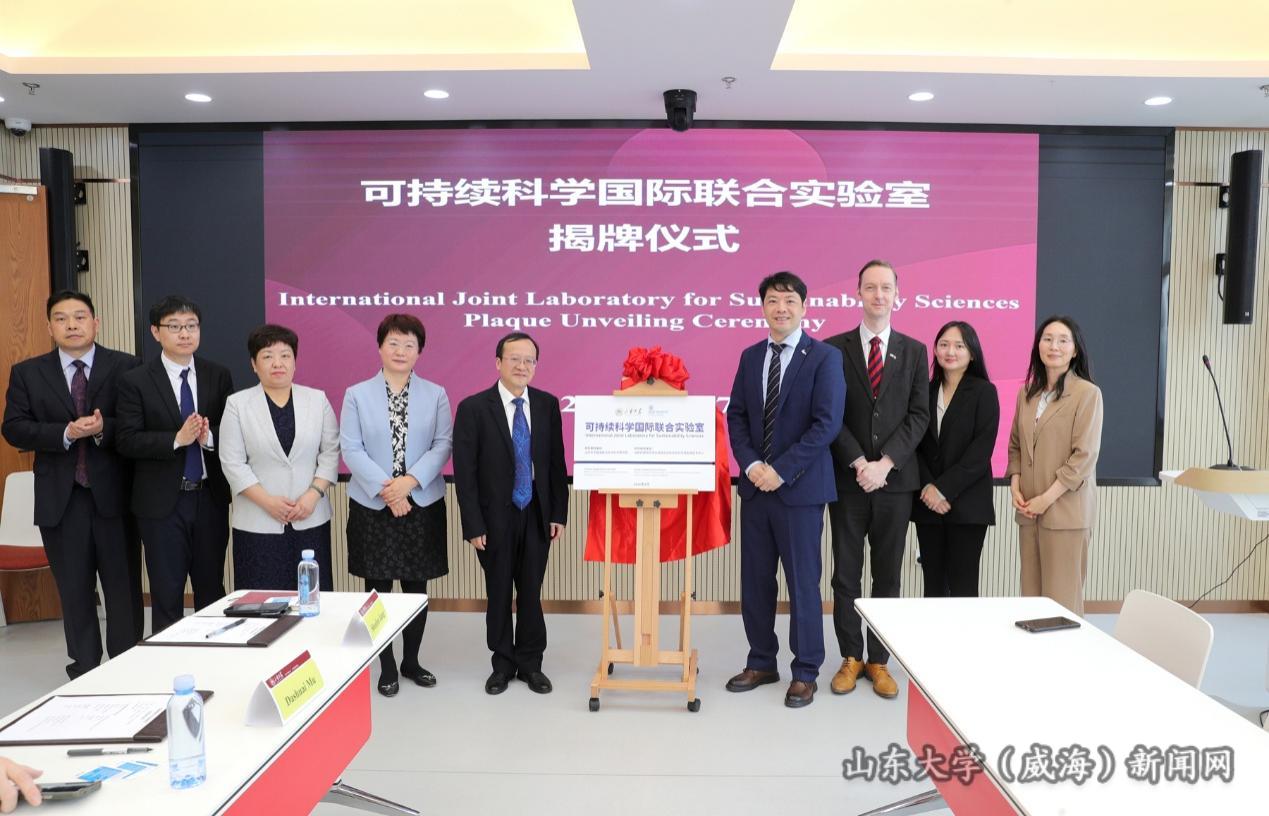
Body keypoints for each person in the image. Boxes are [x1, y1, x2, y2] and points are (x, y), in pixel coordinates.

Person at [2, 290, 141, 678]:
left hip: (115, 497)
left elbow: (138, 422)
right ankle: (85, 671)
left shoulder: (126, 366)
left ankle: (128, 667)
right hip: (61, 502)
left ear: (96, 323)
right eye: (61, 318)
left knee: (123, 589)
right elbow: (14, 427)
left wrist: (103, 428)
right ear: (49, 327)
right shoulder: (28, 372)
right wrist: (64, 432)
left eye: (80, 317)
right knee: (75, 590)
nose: (72, 325)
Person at [724, 271, 845, 708]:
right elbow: (736, 416)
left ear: (804, 307)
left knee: (803, 584)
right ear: (762, 308)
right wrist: (752, 465)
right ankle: (761, 661)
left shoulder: (825, 357)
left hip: (800, 491)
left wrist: (781, 470)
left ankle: (806, 670)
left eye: (790, 300)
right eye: (773, 300)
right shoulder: (750, 356)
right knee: (756, 582)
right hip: (757, 490)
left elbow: (826, 424)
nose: (781, 308)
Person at [825, 260, 929, 699]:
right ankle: (851, 657)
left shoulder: (915, 351)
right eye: (871, 287)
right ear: (858, 293)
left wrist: (885, 464)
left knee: (888, 576)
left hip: (895, 483)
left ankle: (879, 660)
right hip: (848, 482)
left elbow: (919, 415)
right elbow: (830, 415)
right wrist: (858, 462)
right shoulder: (833, 349)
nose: (879, 295)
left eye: (886, 288)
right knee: (846, 575)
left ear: (897, 295)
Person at [341, 314, 451, 697]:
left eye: (409, 344)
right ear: (380, 347)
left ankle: (411, 660)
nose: (401, 351)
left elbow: (442, 444)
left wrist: (408, 483)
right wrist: (388, 490)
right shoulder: (357, 394)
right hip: (373, 505)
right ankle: (386, 664)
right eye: (393, 343)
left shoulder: (436, 394)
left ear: (419, 351)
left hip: (422, 501)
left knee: (416, 588)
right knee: (378, 590)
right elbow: (351, 448)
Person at [453, 332, 568, 696]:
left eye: (529, 360)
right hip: (494, 519)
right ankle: (502, 665)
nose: (522, 366)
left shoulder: (547, 405)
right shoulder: (474, 408)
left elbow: (556, 463)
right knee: (499, 591)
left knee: (531, 591)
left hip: (536, 512)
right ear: (498, 362)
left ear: (536, 366)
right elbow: (465, 474)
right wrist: (473, 523)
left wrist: (558, 513)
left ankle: (531, 664)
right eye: (514, 358)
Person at [116, 295, 234, 634]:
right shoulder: (136, 380)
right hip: (161, 505)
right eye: (175, 326)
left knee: (211, 589)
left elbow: (233, 431)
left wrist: (208, 437)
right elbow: (126, 440)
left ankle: (215, 656)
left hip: (209, 498)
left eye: (191, 326)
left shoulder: (217, 375)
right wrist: (177, 439)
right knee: (167, 594)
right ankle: (169, 660)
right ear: (156, 332)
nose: (185, 334)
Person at [218, 325, 339, 590]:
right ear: (254, 364)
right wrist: (268, 502)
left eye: (285, 355)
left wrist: (312, 495)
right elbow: (232, 462)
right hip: (258, 522)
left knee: (311, 599)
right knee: (261, 602)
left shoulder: (317, 400)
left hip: (309, 518)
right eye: (267, 356)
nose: (277, 363)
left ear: (295, 362)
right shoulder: (237, 404)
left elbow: (331, 452)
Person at [1006, 316, 1102, 616]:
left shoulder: (1087, 394)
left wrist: (1045, 499)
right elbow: (1015, 445)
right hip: (1029, 511)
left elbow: (1083, 456)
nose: (1054, 346)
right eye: (1047, 339)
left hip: (1065, 510)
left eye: (1063, 340)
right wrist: (1015, 486)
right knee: (1032, 599)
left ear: (1075, 350)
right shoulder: (1027, 393)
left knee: (1062, 602)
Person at [912, 321, 1000, 598]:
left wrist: (943, 489)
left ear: (972, 353)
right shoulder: (923, 391)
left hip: (968, 505)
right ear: (935, 350)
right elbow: (913, 446)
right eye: (944, 345)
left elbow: (980, 452)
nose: (950, 351)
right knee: (933, 588)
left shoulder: (984, 392)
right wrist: (928, 487)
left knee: (964, 589)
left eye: (959, 346)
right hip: (928, 504)